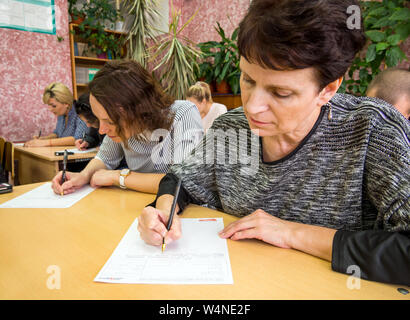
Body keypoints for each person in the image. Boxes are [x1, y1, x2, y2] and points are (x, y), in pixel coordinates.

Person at [137, 0, 410, 286]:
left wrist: (291, 233)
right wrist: (164, 207)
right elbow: (181, 180)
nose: (253, 108)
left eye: (280, 93)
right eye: (248, 79)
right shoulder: (232, 127)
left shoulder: (373, 130)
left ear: (327, 89)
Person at [51, 60, 203, 195]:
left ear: (138, 109)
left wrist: (118, 177)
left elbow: (183, 182)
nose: (101, 130)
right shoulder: (123, 128)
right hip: (137, 204)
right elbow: (105, 158)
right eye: (99, 120)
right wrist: (83, 176)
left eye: (109, 122)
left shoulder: (183, 114)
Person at [24, 82, 88, 147]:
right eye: (49, 105)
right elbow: (57, 134)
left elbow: (78, 139)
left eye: (54, 106)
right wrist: (42, 139)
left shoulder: (80, 112)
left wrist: (45, 143)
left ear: (66, 103)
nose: (50, 109)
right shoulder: (62, 113)